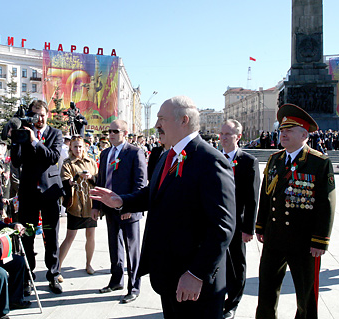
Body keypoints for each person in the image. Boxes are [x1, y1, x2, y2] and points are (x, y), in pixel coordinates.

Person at [90, 96, 236, 318]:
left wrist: (196, 273)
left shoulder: (210, 160)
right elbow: (153, 193)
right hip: (170, 276)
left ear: (183, 121)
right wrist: (121, 200)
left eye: (161, 119)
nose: (157, 125)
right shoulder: (167, 155)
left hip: (196, 284)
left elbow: (222, 226)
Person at [255, 104, 336, 319]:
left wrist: (320, 240)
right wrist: (261, 226)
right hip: (274, 238)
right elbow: (266, 196)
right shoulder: (274, 160)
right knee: (266, 293)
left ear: (304, 134)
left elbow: (326, 204)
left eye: (289, 131)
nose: (283, 134)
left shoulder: (319, 162)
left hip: (303, 241)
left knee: (306, 297)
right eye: (282, 130)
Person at [11, 100, 64, 294]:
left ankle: (53, 275)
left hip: (49, 192)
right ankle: (27, 276)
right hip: (28, 193)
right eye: (35, 115)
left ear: (47, 115)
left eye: (42, 114)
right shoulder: (23, 133)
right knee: (27, 236)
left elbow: (52, 157)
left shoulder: (55, 134)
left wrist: (34, 141)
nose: (39, 118)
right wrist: (16, 138)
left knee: (52, 236)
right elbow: (16, 161)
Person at [91, 119, 147, 304]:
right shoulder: (106, 153)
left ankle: (134, 287)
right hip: (110, 208)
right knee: (114, 248)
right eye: (110, 131)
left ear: (125, 133)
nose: (111, 134)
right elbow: (101, 181)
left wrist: (129, 206)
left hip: (128, 210)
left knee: (132, 250)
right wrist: (96, 206)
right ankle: (116, 281)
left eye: (115, 131)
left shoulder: (134, 152)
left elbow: (139, 183)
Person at [220, 119, 260, 319]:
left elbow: (253, 199)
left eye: (228, 134)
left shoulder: (248, 161)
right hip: (217, 222)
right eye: (222, 134)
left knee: (236, 263)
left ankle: (233, 302)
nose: (223, 138)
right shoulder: (216, 158)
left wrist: (248, 228)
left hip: (237, 223)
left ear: (239, 136)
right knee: (218, 262)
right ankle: (218, 298)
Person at [59, 136, 98, 278]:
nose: (78, 149)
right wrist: (77, 176)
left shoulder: (91, 162)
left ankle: (89, 264)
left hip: (90, 205)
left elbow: (98, 180)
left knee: (91, 235)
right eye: (75, 146)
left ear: (85, 147)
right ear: (71, 148)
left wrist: (91, 178)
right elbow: (65, 181)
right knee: (70, 236)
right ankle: (57, 268)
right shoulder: (67, 163)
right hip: (75, 205)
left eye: (80, 146)